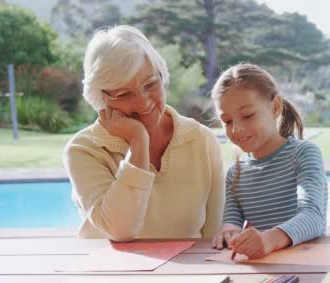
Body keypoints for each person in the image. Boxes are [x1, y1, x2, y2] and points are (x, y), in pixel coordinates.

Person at [63, 25, 224, 241]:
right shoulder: (84, 150)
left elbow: (215, 235)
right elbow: (120, 230)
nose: (143, 102)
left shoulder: (201, 140)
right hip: (112, 273)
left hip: (188, 272)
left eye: (149, 84)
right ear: (102, 97)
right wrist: (139, 142)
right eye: (124, 93)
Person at [210, 63, 328, 259]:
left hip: (308, 266)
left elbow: (313, 218)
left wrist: (267, 240)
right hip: (264, 268)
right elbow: (232, 224)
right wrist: (228, 232)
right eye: (227, 121)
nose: (236, 129)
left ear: (275, 107)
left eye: (247, 115)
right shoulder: (235, 174)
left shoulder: (303, 153)